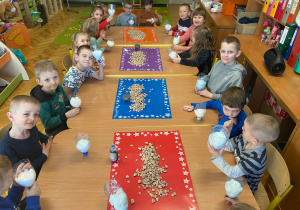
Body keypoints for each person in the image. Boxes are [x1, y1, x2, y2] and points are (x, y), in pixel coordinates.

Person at [207, 113, 280, 194]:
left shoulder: (256, 159)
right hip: (236, 174)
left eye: (244, 129)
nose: (242, 128)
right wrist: (226, 132)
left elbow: (233, 173)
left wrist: (217, 157)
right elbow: (229, 145)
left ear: (254, 140)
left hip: (244, 187)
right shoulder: (245, 138)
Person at [0, 95, 53, 178]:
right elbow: (21, 171)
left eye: (36, 114)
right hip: (32, 178)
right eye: (26, 114)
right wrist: (43, 156)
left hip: (45, 165)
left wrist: (46, 140)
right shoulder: (6, 147)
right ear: (11, 116)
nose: (32, 118)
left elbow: (38, 134)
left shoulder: (31, 128)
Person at [30, 60, 80, 137]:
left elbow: (65, 100)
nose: (53, 82)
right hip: (55, 130)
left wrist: (73, 102)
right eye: (47, 80)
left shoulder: (59, 87)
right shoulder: (41, 103)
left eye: (55, 77)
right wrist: (66, 115)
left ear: (59, 75)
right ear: (39, 82)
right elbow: (48, 124)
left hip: (66, 119)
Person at [196, 36, 247, 100]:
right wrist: (201, 84)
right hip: (206, 95)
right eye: (223, 51)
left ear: (237, 53)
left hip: (219, 102)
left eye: (230, 52)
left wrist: (212, 95)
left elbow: (232, 99)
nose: (225, 55)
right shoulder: (219, 63)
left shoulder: (236, 76)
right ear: (219, 51)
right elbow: (209, 76)